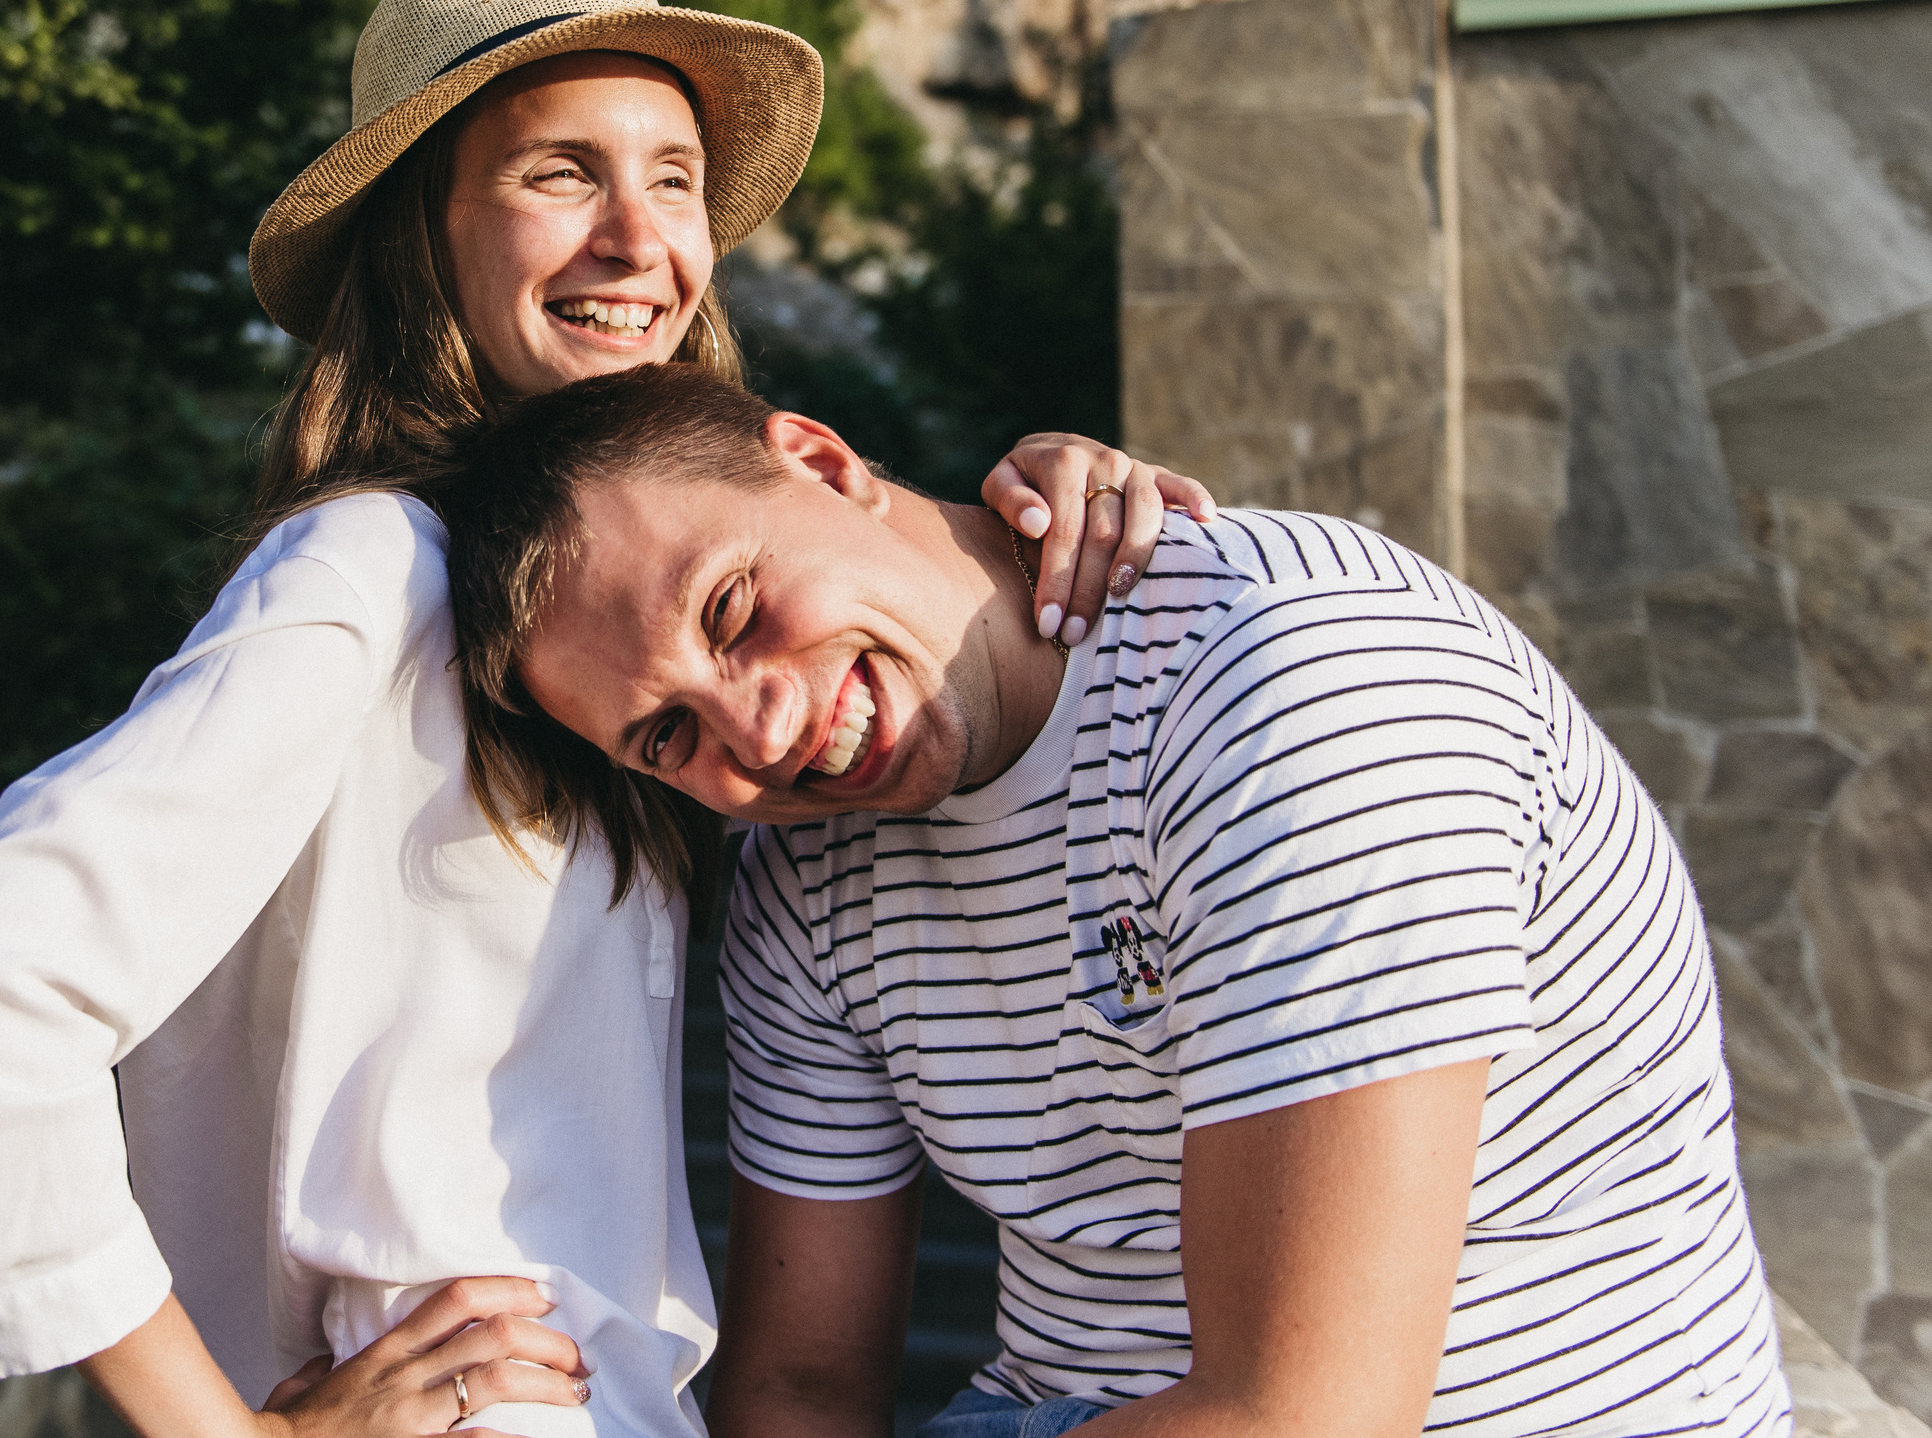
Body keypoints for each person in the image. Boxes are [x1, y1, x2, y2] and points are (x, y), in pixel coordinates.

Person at [0, 0, 1209, 1438]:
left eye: (673, 178)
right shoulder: (368, 571)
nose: (639, 238)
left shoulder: (656, 628)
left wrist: (1021, 529)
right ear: (427, 233)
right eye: (560, 173)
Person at [436, 364, 1794, 1438]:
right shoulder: (802, 880)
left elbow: (1308, 1416)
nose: (762, 728)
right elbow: (800, 1386)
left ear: (825, 463)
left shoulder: (1299, 687)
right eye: (668, 735)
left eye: (733, 609)